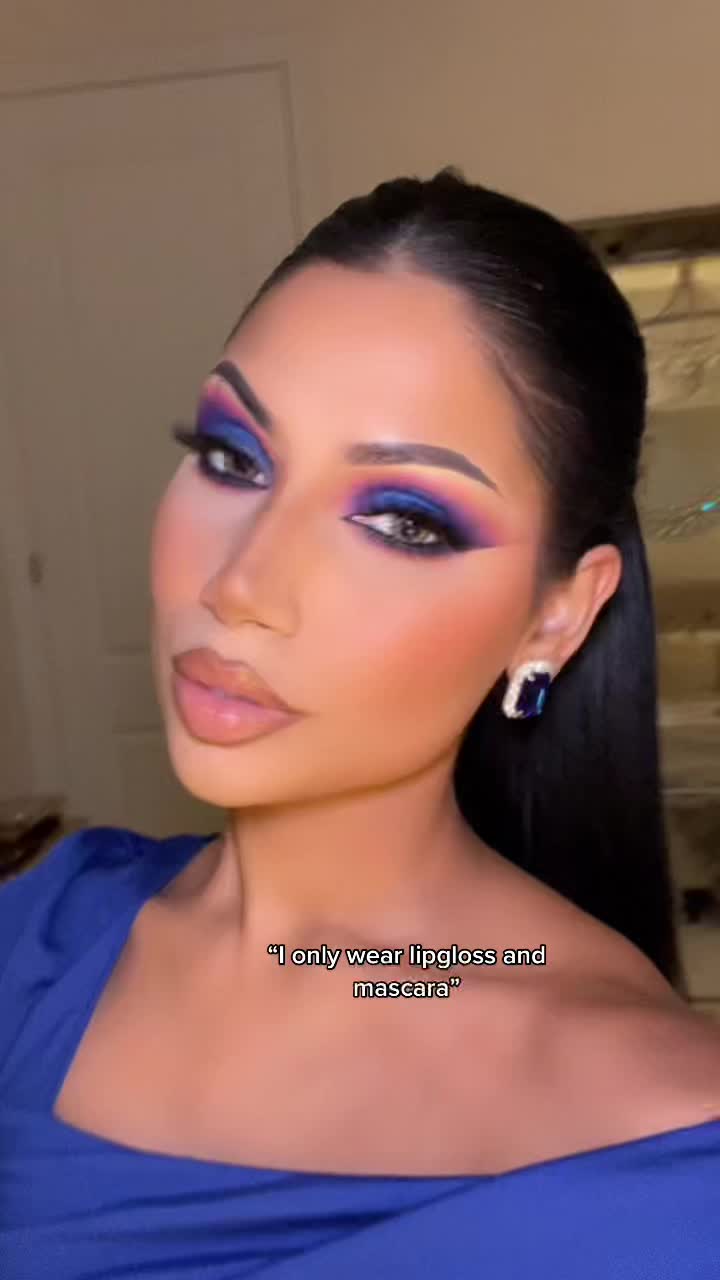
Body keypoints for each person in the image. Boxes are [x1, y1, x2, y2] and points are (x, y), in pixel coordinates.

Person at [2, 167, 720, 1278]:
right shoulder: (40, 931)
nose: (241, 584)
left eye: (403, 520)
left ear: (557, 615)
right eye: (233, 458)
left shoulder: (671, 1160)